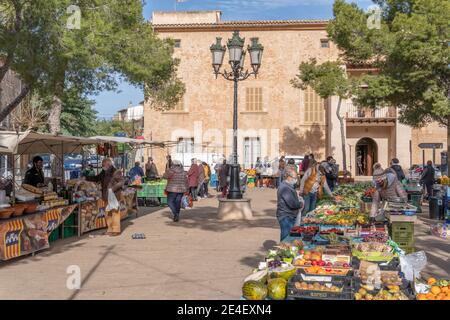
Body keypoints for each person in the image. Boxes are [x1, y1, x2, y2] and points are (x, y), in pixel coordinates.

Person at [86, 158, 124, 236]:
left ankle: (116, 230)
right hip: (106, 195)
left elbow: (121, 182)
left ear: (108, 164)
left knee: (115, 212)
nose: (102, 166)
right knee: (107, 213)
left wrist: (113, 189)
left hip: (114, 195)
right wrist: (86, 178)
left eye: (103, 165)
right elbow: (97, 178)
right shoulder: (103, 172)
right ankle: (110, 229)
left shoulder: (116, 171)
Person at [277, 167, 304, 241]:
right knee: (286, 238)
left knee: (288, 237)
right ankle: (282, 251)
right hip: (286, 216)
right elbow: (292, 204)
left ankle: (283, 250)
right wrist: (301, 204)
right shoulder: (285, 187)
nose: (295, 180)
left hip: (288, 215)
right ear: (288, 177)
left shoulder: (288, 186)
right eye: (294, 177)